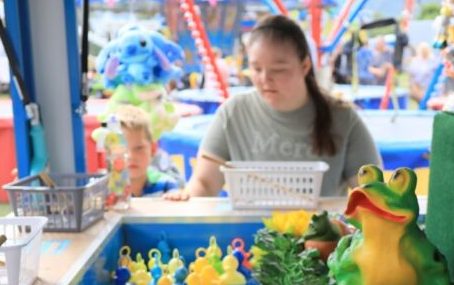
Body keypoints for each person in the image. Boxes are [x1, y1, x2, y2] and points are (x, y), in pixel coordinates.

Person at [165, 15, 381, 201]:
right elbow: (204, 183)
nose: (265, 79)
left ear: (305, 66)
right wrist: (186, 196)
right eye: (256, 69)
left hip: (322, 235)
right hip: (250, 234)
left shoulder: (343, 118)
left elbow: (373, 193)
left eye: (278, 70)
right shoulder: (233, 113)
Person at [115, 105, 182, 197]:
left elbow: (178, 200)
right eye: (123, 149)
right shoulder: (106, 190)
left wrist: (177, 198)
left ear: (153, 148)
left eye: (139, 148)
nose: (131, 156)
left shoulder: (166, 185)